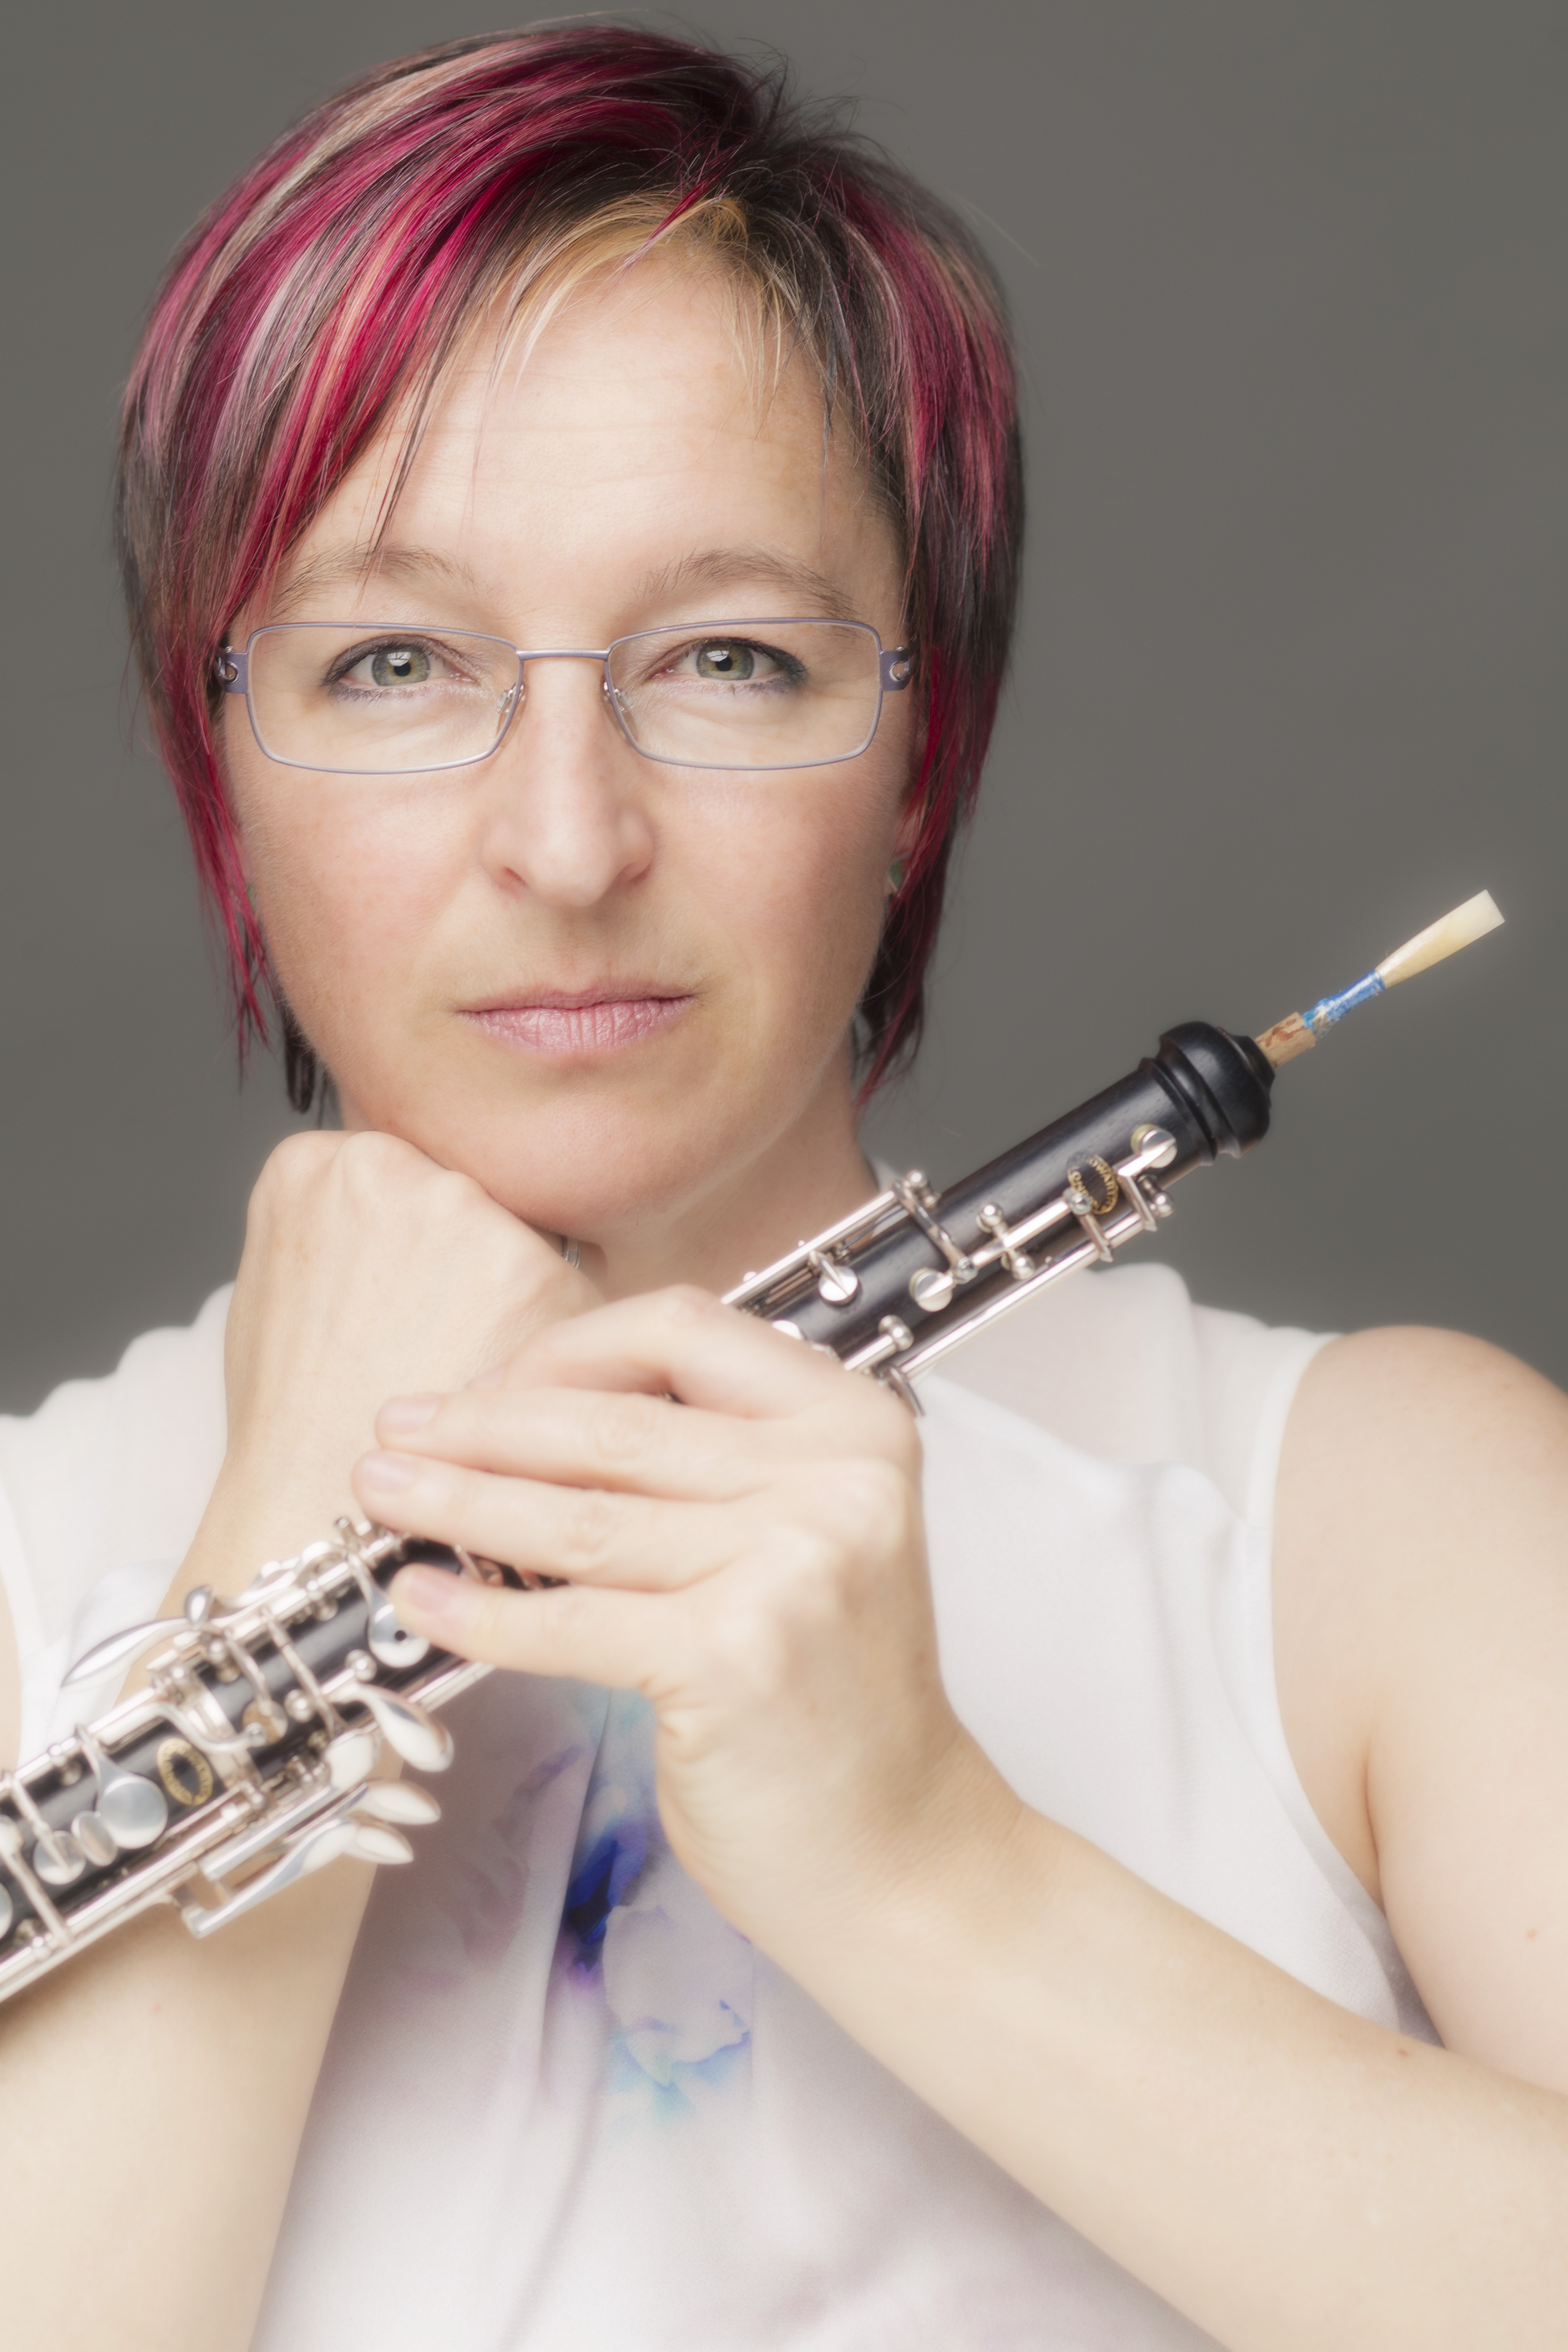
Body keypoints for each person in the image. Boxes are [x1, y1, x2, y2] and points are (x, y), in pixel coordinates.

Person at [1, 26, 1564, 2352]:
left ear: (920, 758)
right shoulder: (29, 1555)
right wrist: (275, 1601)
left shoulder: (1378, 1518)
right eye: (393, 660)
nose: (566, 842)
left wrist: (926, 1863)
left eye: (730, 658)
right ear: (220, 755)